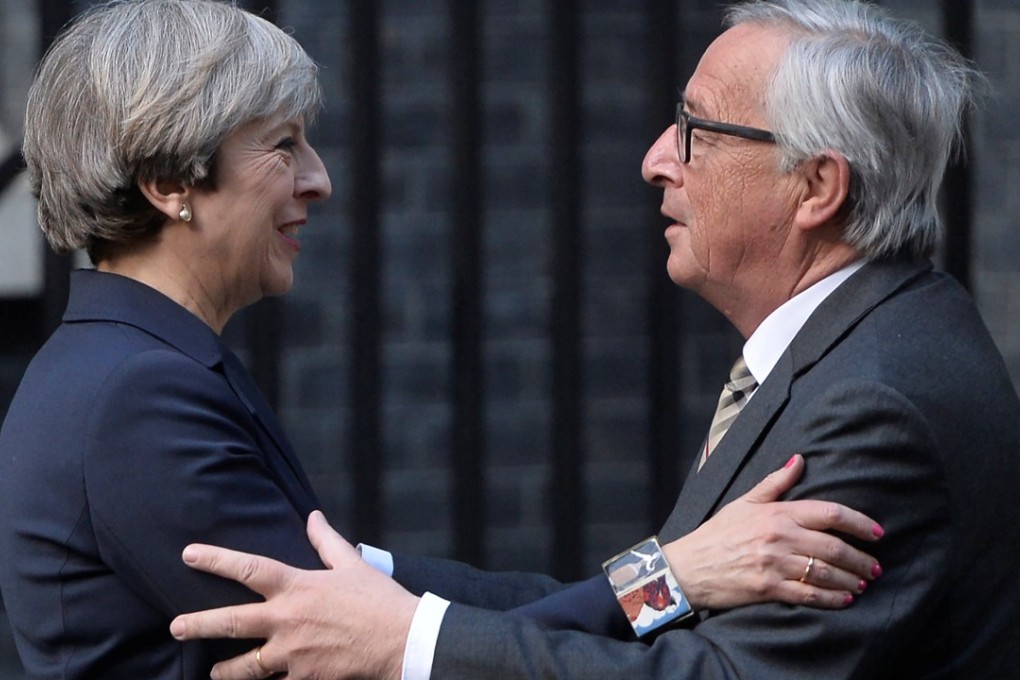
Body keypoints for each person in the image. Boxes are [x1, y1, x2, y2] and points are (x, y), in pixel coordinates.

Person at [0, 1, 884, 678]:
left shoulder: (133, 368)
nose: (320, 180)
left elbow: (384, 611)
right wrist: (675, 578)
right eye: (282, 146)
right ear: (167, 180)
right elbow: (358, 653)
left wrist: (667, 570)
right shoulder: (137, 396)